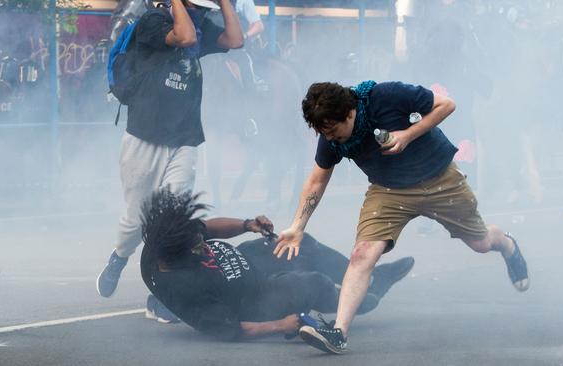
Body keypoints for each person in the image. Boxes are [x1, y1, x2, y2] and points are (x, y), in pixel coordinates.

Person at [273, 80, 530, 354]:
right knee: (362, 254)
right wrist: (298, 226)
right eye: (326, 134)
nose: (332, 138)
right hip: (389, 190)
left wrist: (407, 135)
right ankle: (338, 333)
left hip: (439, 178)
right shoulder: (331, 136)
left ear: (349, 113)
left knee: (481, 243)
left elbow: (447, 105)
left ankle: (507, 244)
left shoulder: (385, 95)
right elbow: (316, 181)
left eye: (335, 131)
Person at [96, 0, 244, 316]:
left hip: (185, 139)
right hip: (144, 138)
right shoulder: (152, 21)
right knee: (137, 220)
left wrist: (225, 3)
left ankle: (163, 297)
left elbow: (235, 40)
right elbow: (186, 38)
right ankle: (119, 257)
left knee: (176, 219)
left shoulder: (199, 26)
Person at [139, 188, 415, 339]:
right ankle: (365, 297)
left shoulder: (171, 235)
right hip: (256, 300)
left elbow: (208, 228)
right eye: (196, 247)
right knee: (313, 284)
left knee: (298, 244)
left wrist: (248, 225)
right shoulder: (181, 290)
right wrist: (279, 325)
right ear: (175, 256)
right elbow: (227, 328)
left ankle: (363, 275)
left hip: (245, 259)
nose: (202, 244)